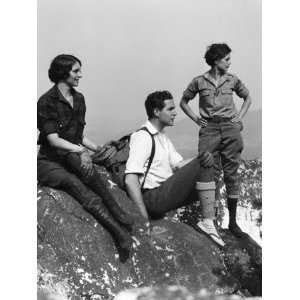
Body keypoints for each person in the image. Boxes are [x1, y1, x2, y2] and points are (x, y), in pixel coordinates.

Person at [37, 54, 133, 261]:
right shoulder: (46, 102)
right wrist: (81, 152)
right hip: (49, 161)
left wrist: (97, 149)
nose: (81, 75)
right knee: (75, 184)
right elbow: (53, 140)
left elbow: (77, 136)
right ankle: (119, 232)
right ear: (63, 73)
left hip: (69, 154)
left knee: (87, 171)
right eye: (76, 71)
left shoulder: (79, 99)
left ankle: (117, 211)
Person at [125, 91, 225, 247]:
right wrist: (143, 217)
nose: (175, 113)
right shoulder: (143, 137)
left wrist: (207, 156)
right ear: (156, 112)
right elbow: (130, 180)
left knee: (212, 162)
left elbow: (179, 165)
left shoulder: (162, 137)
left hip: (163, 193)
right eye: (170, 109)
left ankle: (210, 220)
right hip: (153, 199)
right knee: (204, 162)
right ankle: (208, 222)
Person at [180, 43, 252, 237]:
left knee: (232, 174)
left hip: (230, 127)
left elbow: (247, 98)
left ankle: (233, 223)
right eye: (226, 59)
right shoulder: (199, 82)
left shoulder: (233, 80)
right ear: (216, 60)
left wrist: (239, 117)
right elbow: (183, 101)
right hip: (209, 129)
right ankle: (209, 221)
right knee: (207, 169)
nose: (229, 63)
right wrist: (196, 119)